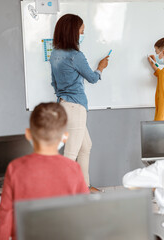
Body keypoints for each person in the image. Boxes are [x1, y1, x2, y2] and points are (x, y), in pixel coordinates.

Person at [0, 102, 89, 240]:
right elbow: (86, 214)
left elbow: (5, 216)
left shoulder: (15, 168)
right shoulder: (73, 169)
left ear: (28, 134)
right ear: (65, 137)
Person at [50, 14, 109, 189]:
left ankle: (84, 187)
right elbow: (91, 78)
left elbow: (54, 82)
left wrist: (63, 96)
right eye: (81, 29)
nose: (83, 32)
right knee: (71, 154)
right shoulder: (76, 55)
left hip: (64, 105)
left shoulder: (55, 54)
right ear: (72, 31)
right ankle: (65, 195)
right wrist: (100, 68)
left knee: (85, 146)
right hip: (76, 107)